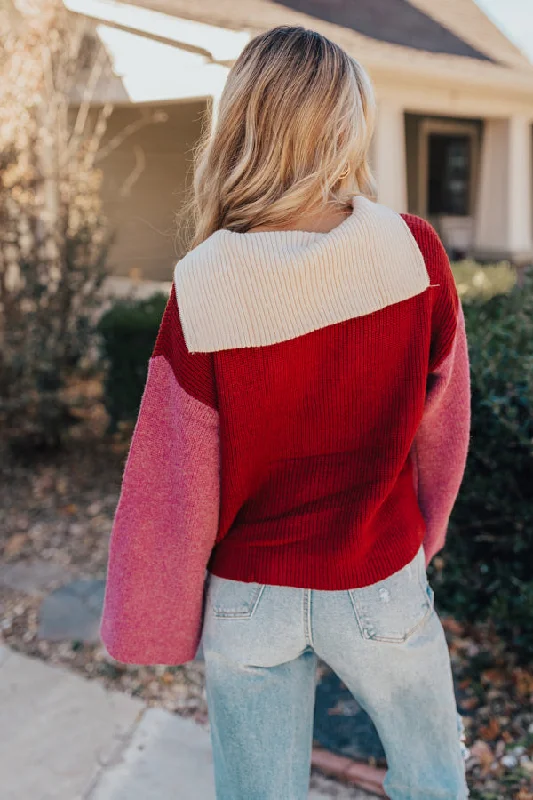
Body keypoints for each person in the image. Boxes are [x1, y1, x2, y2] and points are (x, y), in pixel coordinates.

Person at [100, 25, 471, 800]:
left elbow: (175, 477)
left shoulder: (201, 280)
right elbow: (444, 423)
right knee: (433, 781)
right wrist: (420, 537)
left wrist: (157, 616)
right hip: (376, 575)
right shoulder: (412, 251)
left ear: (242, 125)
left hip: (249, 594)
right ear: (344, 124)